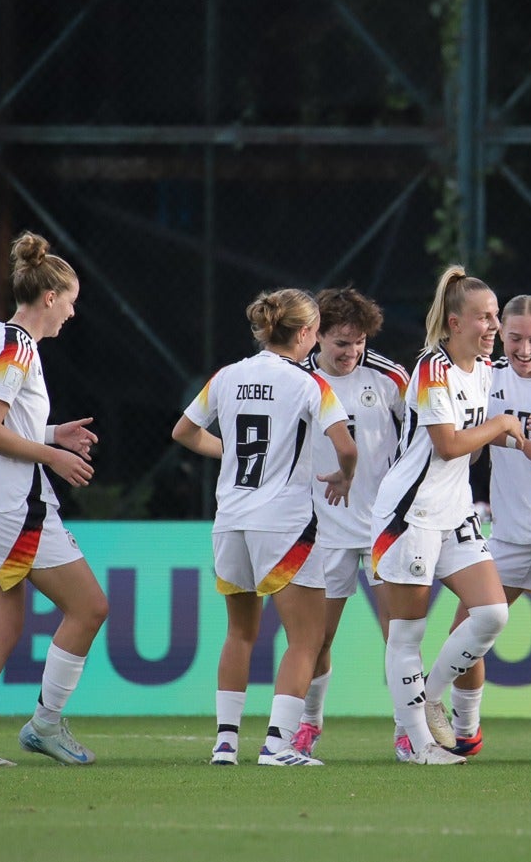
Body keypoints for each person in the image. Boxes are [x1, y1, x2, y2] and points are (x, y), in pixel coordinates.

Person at [370, 266, 531, 765]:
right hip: (410, 515)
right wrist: (503, 423)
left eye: (495, 316)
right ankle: (414, 743)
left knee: (493, 612)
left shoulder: (482, 369)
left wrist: (522, 442)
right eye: (484, 317)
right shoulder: (433, 370)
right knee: (406, 633)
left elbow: (477, 431)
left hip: (453, 511)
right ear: (455, 323)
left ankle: (429, 697)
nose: (494, 326)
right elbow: (449, 443)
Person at [172, 288, 356, 766]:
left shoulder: (228, 376)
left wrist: (228, 452)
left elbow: (184, 432)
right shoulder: (310, 385)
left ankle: (226, 743)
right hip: (285, 524)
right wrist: (345, 475)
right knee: (306, 639)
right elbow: (347, 447)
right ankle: (278, 744)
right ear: (306, 333)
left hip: (231, 519)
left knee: (240, 633)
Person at [0, 231, 109, 768]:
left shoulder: (0, 340)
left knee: (1, 628)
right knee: (89, 606)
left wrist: (52, 432)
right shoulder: (17, 346)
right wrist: (50, 456)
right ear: (51, 298)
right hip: (10, 509)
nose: (72, 314)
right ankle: (45, 723)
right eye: (72, 302)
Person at [441, 295, 531, 762]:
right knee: (467, 630)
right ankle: (465, 730)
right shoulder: (485, 376)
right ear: (500, 334)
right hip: (508, 528)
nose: (524, 349)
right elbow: (469, 440)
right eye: (515, 338)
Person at [288, 288, 410, 761]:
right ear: (316, 335)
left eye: (358, 341)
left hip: (382, 527)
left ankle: (407, 731)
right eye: (341, 342)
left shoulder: (389, 377)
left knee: (399, 635)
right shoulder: (297, 379)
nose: (351, 352)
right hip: (323, 530)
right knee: (318, 638)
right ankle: (308, 727)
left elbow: (420, 434)